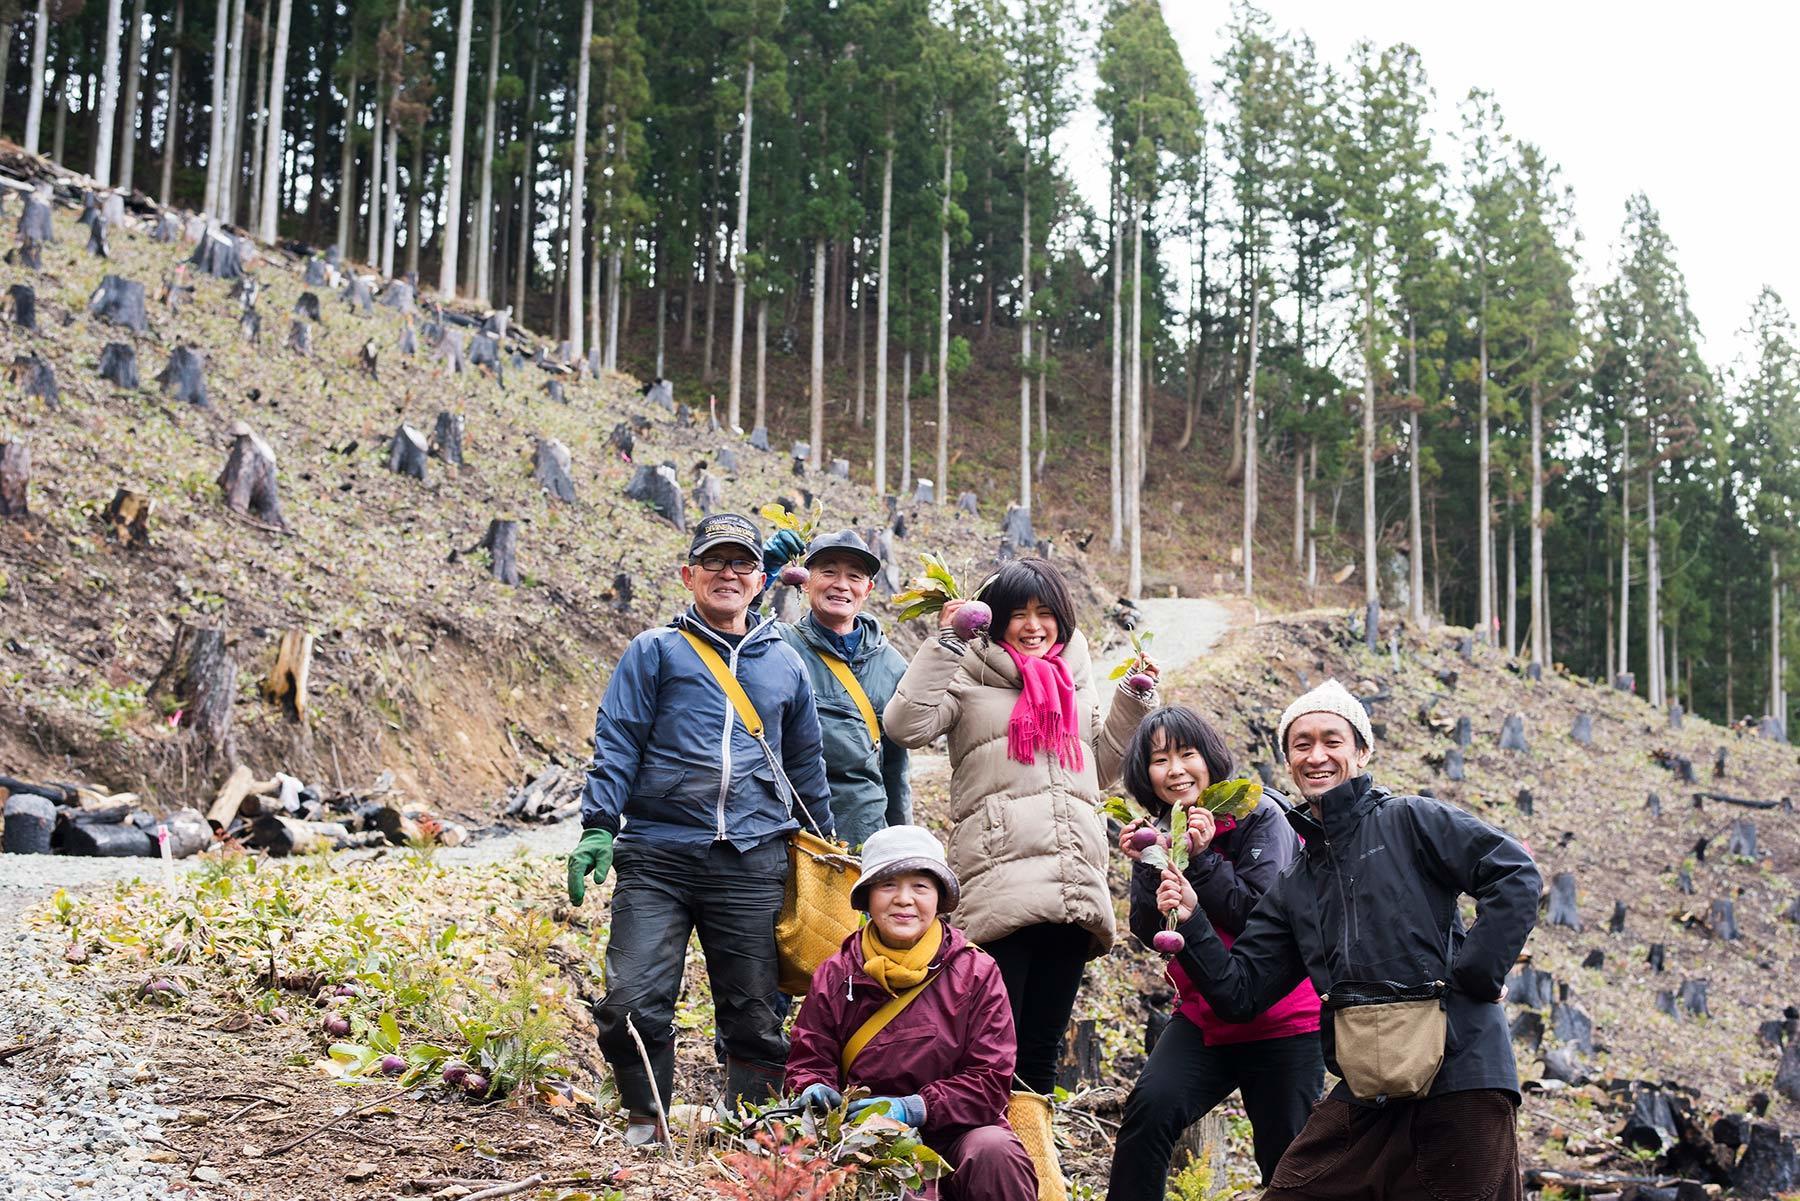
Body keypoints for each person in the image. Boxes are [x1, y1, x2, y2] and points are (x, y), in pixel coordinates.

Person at [1158, 678, 1541, 1201]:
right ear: (1288, 762)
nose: (1317, 756)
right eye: (1301, 744)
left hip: (1461, 1072)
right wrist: (1194, 917)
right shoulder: (1296, 881)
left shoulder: (1412, 819)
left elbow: (1514, 874)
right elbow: (1239, 993)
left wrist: (1475, 973)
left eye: (1332, 741)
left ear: (1361, 751)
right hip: (1369, 1087)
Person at [566, 512, 835, 1147]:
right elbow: (618, 740)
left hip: (752, 857)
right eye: (713, 562)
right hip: (658, 852)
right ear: (689, 575)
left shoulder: (785, 664)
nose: (727, 574)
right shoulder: (653, 650)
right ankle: (645, 1126)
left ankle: (754, 1137)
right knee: (630, 1002)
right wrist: (599, 825)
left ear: (760, 578)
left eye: (741, 563)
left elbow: (805, 764)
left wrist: (825, 846)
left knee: (755, 1013)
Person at [882, 557, 1153, 1097]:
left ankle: (1029, 1169)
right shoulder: (967, 672)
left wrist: (1132, 703)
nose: (1033, 626)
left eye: (1046, 613)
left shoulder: (1075, 674)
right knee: (988, 1046)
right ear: (997, 619)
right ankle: (982, 1161)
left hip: (1072, 884)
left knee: (1042, 1052)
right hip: (1000, 881)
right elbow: (904, 726)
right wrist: (945, 643)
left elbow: (1099, 769)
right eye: (1019, 614)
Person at [1108, 706, 1324, 1197]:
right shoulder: (1158, 827)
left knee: (1288, 1164)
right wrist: (1149, 861)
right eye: (1160, 760)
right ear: (1146, 774)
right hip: (1206, 1018)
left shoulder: (1260, 815)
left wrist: (1201, 860)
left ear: (1210, 758)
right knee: (1148, 1114)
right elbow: (1148, 927)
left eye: (1188, 754)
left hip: (1282, 1021)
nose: (1176, 769)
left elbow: (1260, 915)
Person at [784, 825, 1038, 1201]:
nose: (904, 900)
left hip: (960, 1134)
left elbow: (989, 1079)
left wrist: (914, 1108)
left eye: (920, 886)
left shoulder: (976, 972)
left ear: (939, 899)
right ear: (866, 897)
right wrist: (813, 1089)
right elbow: (810, 1060)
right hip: (865, 1137)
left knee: (994, 1151)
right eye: (888, 885)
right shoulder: (836, 974)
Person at [760, 528, 911, 850]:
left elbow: (895, 766)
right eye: (828, 572)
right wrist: (764, 567)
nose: (841, 584)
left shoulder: (892, 666)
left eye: (854, 576)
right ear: (806, 581)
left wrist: (902, 841)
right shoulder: (777, 644)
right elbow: (730, 632)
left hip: (861, 831)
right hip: (785, 829)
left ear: (868, 589)